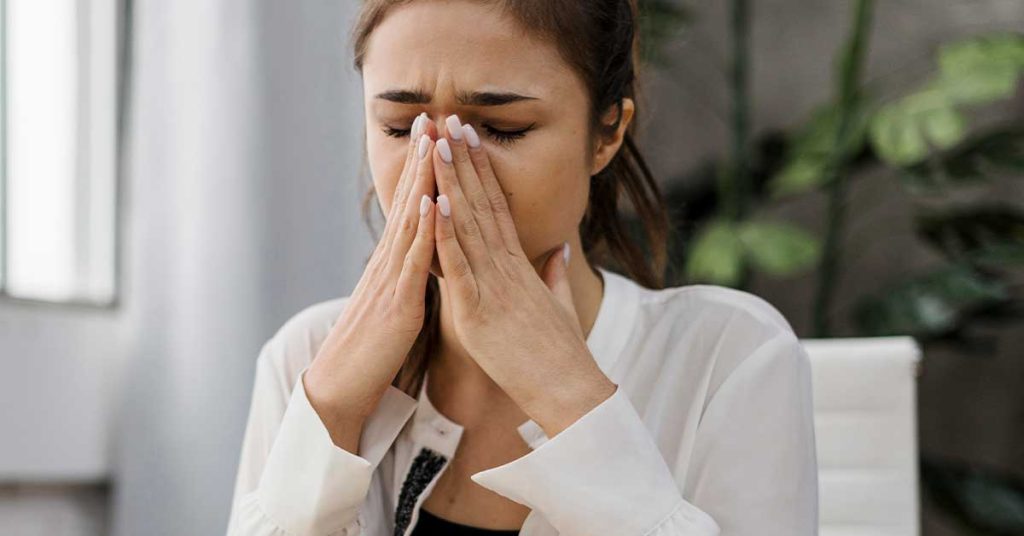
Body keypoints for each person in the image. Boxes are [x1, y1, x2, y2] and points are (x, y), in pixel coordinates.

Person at [225, 1, 819, 534]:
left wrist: (568, 398)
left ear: (607, 131)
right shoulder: (306, 355)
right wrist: (330, 412)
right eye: (401, 128)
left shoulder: (730, 356)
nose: (439, 170)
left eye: (501, 129)